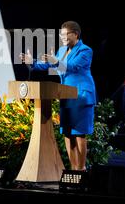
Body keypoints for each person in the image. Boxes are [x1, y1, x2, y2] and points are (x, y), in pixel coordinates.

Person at [20, 21, 96, 171]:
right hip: (66, 96)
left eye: (65, 34)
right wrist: (32, 62)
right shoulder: (62, 50)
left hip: (81, 96)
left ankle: (81, 170)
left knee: (79, 133)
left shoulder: (85, 50)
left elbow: (73, 67)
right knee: (68, 133)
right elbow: (48, 64)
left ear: (75, 34)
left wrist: (56, 61)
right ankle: (73, 169)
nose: (62, 37)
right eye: (61, 35)